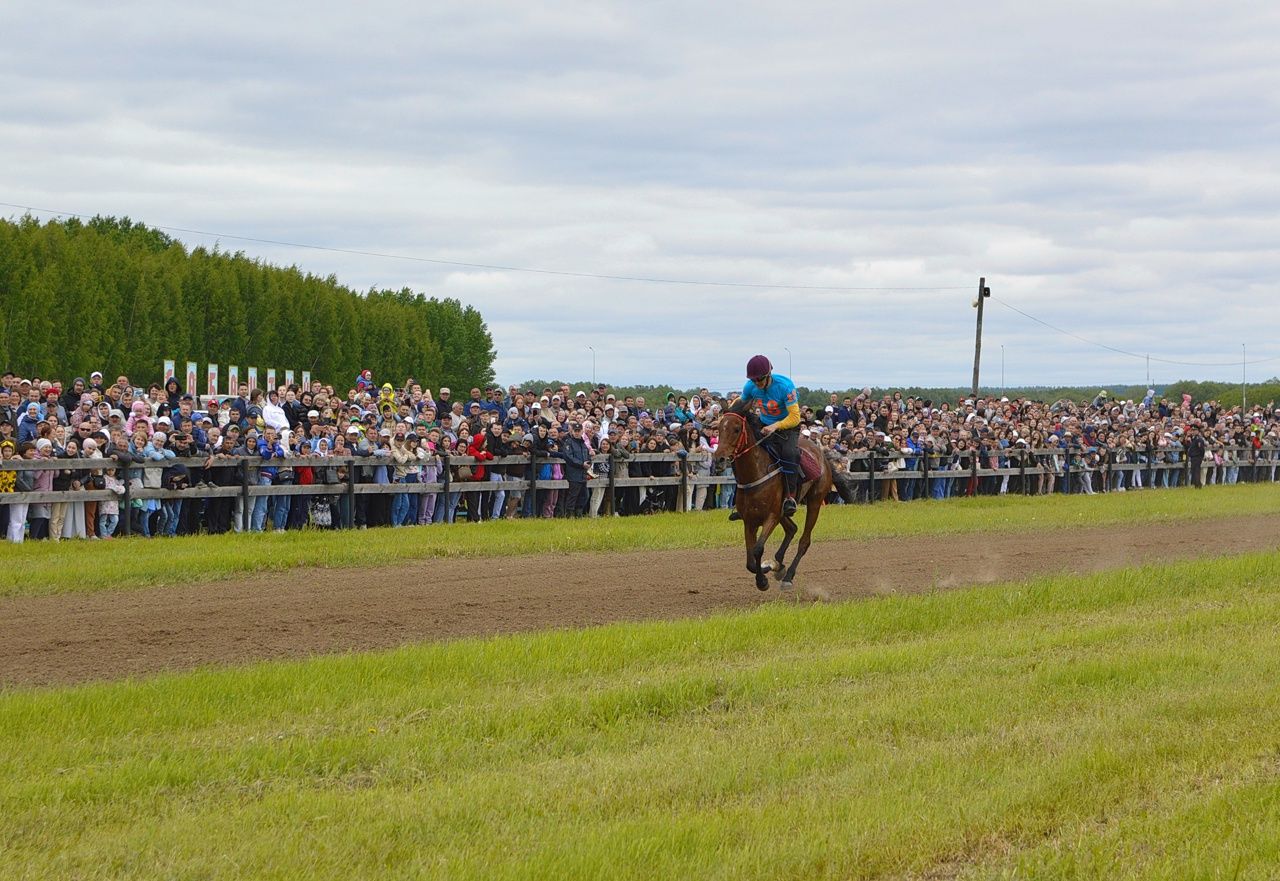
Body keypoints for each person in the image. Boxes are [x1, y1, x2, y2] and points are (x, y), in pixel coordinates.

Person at [729, 354, 802, 517]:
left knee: (789, 454)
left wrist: (775, 425)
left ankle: (790, 498)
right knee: (740, 452)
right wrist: (726, 415)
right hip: (763, 424)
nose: (757, 384)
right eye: (754, 380)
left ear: (768, 375)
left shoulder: (786, 386)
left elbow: (795, 417)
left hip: (788, 427)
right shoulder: (751, 386)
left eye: (760, 380)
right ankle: (740, 500)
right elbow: (741, 402)